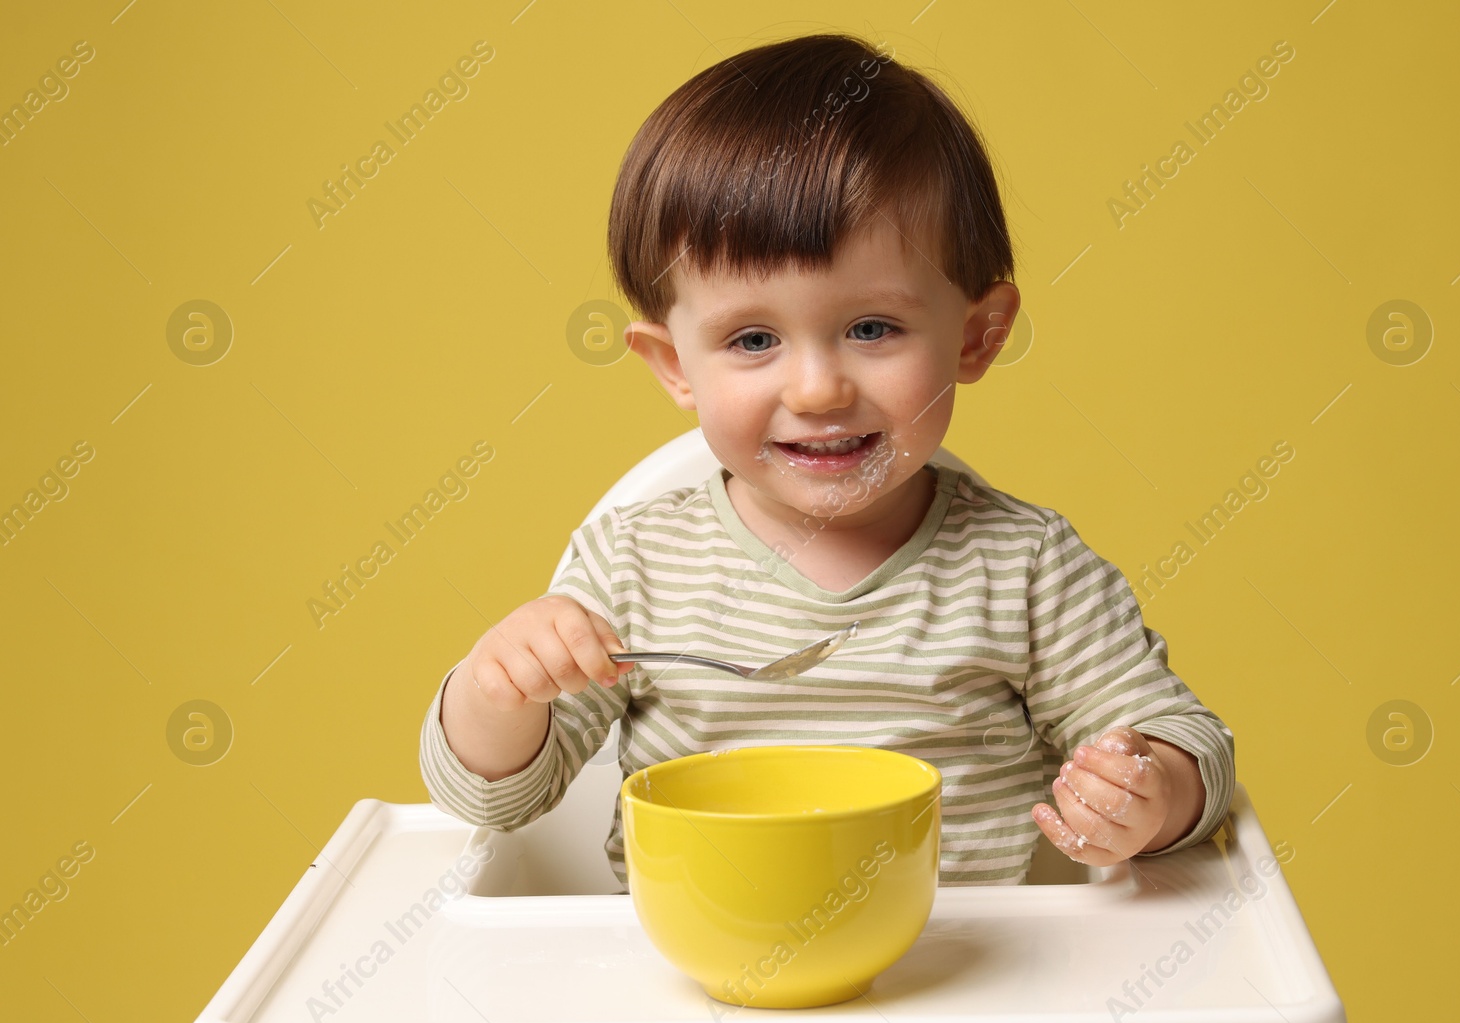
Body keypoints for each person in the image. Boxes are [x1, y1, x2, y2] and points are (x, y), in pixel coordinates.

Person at [419, 32, 1234, 888]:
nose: (815, 388)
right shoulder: (633, 567)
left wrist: (1148, 791)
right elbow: (495, 803)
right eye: (753, 338)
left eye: (871, 328)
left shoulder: (1026, 570)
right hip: (699, 991)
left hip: (970, 995)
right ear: (673, 366)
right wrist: (495, 692)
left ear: (977, 334)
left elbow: (1187, 743)